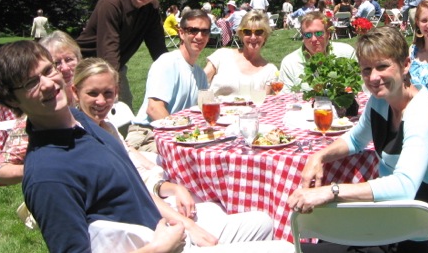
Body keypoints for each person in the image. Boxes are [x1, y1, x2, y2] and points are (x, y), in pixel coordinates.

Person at [0, 41, 186, 253]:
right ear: (11, 100)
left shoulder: (81, 119)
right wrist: (158, 248)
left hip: (168, 232)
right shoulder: (47, 175)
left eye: (48, 70)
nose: (47, 84)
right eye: (30, 83)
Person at [72, 58, 283, 250]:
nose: (101, 101)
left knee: (263, 221)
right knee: (283, 248)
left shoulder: (108, 128)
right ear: (75, 92)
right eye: (92, 93)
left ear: (116, 92)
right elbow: (136, 192)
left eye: (107, 93)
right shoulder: (85, 145)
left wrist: (173, 187)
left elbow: (140, 177)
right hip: (155, 236)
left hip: (162, 218)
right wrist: (188, 225)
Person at [288, 26, 428, 253]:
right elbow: (356, 140)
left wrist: (331, 190)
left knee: (309, 238)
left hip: (411, 235)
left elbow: (404, 186)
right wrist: (319, 156)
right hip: (386, 219)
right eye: (366, 70)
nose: (373, 78)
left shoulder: (422, 113)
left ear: (405, 65)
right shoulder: (381, 101)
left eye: (382, 66)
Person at [0, 30, 81, 187]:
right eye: (57, 63)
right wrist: (46, 168)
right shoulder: (36, 117)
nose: (65, 68)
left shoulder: (89, 96)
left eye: (69, 60)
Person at [77, 0, 168, 107]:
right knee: (90, 115)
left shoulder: (152, 8)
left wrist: (171, 71)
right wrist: (113, 86)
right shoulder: (112, 4)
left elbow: (157, 46)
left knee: (124, 114)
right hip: (85, 65)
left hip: (115, 65)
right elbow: (108, 48)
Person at [127, 10, 211, 152]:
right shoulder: (168, 62)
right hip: (148, 135)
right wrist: (184, 137)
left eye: (205, 31)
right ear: (181, 33)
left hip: (175, 135)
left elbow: (204, 110)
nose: (199, 36)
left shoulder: (200, 74)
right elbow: (154, 109)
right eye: (193, 30)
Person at [204, 11, 278, 96]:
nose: (253, 37)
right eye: (247, 32)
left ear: (265, 35)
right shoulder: (222, 56)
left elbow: (265, 104)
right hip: (215, 108)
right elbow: (199, 84)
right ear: (241, 34)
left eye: (258, 32)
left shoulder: (270, 71)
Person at [279, 11, 356, 89]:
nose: (314, 39)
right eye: (308, 35)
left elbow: (360, 87)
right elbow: (284, 98)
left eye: (318, 33)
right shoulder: (289, 63)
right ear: (303, 37)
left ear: (328, 34)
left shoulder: (347, 53)